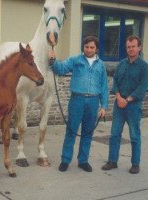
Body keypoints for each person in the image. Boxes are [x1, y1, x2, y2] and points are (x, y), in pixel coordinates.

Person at [49, 36, 108, 172]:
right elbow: (61, 68)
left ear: (96, 49)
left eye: (91, 47)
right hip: (77, 100)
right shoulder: (75, 60)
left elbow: (104, 86)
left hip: (93, 102)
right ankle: (65, 160)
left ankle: (83, 160)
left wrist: (103, 106)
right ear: (83, 47)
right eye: (86, 46)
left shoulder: (101, 65)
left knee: (88, 132)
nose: (88, 49)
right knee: (71, 131)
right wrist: (53, 59)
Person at [101, 35, 148, 174]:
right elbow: (115, 81)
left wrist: (127, 99)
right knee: (115, 134)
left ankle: (135, 163)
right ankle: (112, 161)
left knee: (135, 135)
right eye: (128, 47)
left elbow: (142, 87)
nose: (131, 49)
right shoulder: (121, 64)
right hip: (119, 105)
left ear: (139, 47)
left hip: (134, 106)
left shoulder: (144, 67)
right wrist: (118, 97)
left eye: (133, 46)